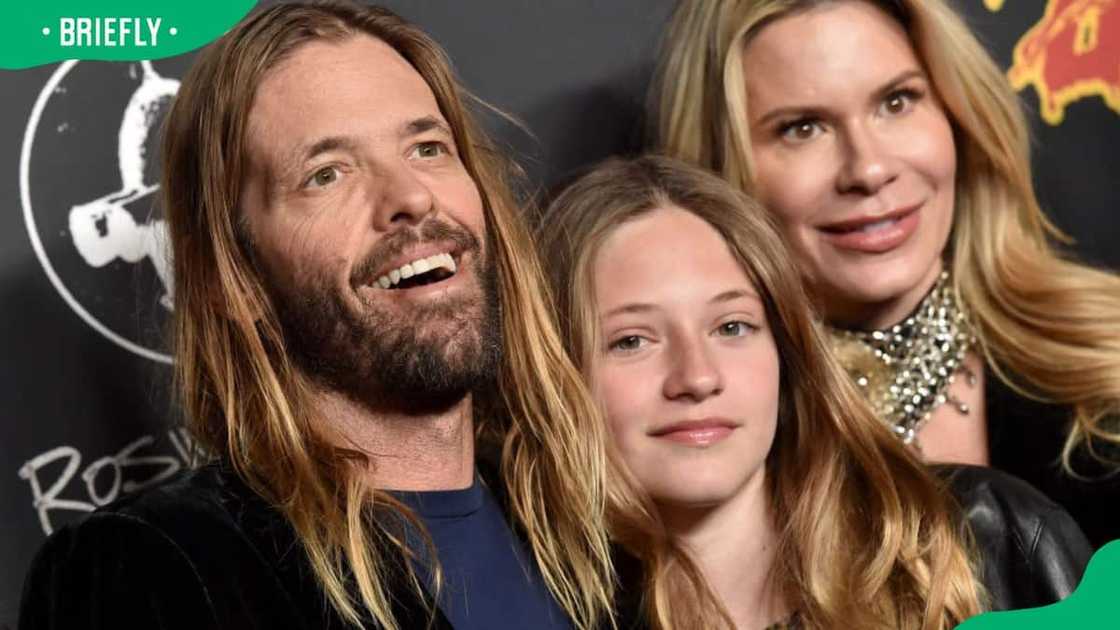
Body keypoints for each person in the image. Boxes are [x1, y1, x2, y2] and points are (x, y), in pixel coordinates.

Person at [18, 3, 636, 629]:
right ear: (241, 276)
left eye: (427, 147)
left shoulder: (597, 540)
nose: (412, 196)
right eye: (326, 174)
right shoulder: (156, 568)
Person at [537, 154, 1092, 629]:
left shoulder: (991, 539)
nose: (698, 378)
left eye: (732, 327)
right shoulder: (519, 608)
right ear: (554, 372)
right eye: (632, 340)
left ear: (787, 348)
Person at [654, 0, 1120, 548]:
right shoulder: (697, 428)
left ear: (956, 115)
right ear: (720, 170)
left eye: (896, 102)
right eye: (803, 128)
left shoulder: (1106, 356)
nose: (869, 169)